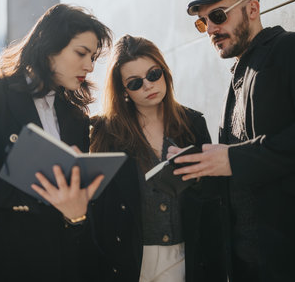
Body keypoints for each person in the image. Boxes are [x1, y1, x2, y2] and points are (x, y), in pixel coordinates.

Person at [170, 0, 295, 281]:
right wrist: (199, 169)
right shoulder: (237, 76)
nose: (210, 28)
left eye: (218, 16)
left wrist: (235, 160)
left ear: (252, 9)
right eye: (203, 22)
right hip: (246, 266)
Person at [0, 4, 112, 282]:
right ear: (49, 46)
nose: (90, 66)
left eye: (93, 57)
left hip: (54, 260)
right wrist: (50, 194)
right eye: (81, 53)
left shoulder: (76, 116)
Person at [86, 34, 213, 282]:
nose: (148, 85)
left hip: (186, 253)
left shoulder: (193, 123)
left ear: (164, 72)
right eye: (134, 83)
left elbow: (212, 195)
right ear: (123, 91)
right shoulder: (105, 132)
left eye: (153, 74)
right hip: (129, 259)